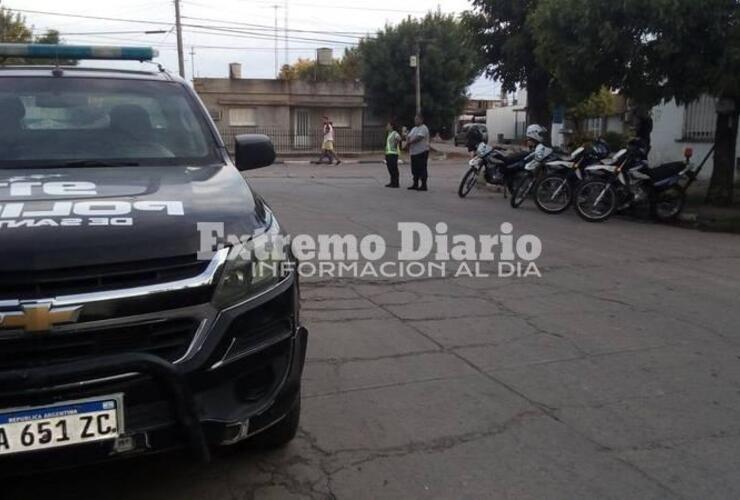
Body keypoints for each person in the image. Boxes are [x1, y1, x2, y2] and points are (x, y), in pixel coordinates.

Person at [405, 113, 430, 191]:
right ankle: (415, 184)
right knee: (414, 169)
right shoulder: (414, 128)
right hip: (414, 152)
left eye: (417, 119)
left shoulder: (423, 128)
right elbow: (409, 136)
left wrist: (410, 142)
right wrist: (408, 141)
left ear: (421, 120)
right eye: (415, 119)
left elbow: (419, 137)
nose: (415, 121)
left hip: (422, 152)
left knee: (422, 168)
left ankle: (423, 185)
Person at [384, 121, 402, 188]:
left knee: (394, 169)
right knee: (390, 169)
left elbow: (399, 138)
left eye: (388, 125)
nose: (387, 126)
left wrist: (395, 143)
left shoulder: (395, 133)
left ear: (392, 126)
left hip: (393, 153)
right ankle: (392, 182)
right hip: (388, 153)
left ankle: (396, 183)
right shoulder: (389, 133)